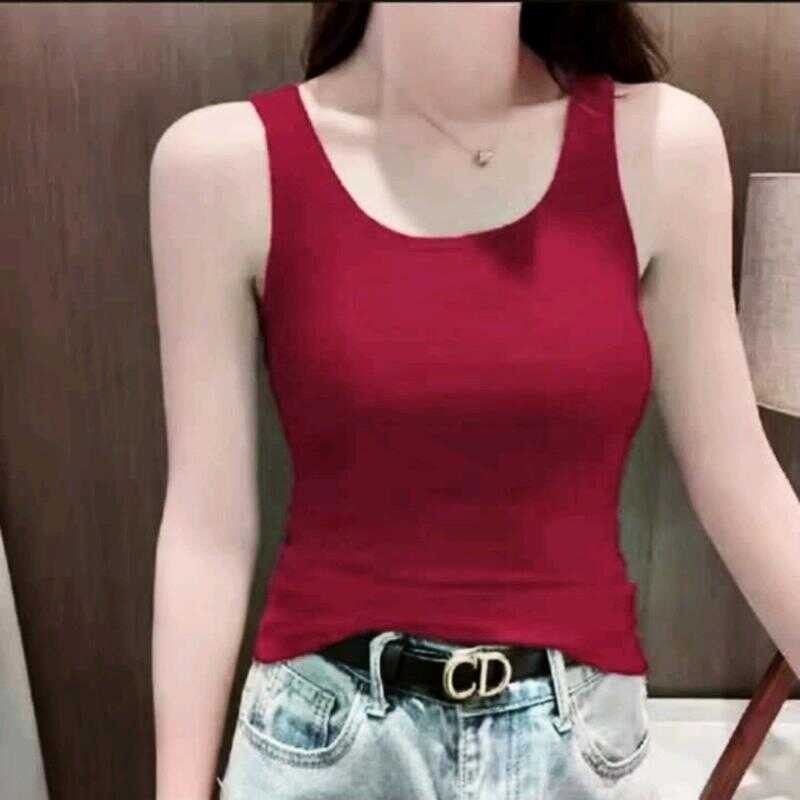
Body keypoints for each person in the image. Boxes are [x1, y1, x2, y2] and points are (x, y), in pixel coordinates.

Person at [148, 3, 800, 799]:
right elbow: (207, 531)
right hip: (328, 749)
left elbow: (743, 486)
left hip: (579, 753)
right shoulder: (221, 166)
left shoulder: (662, 145)